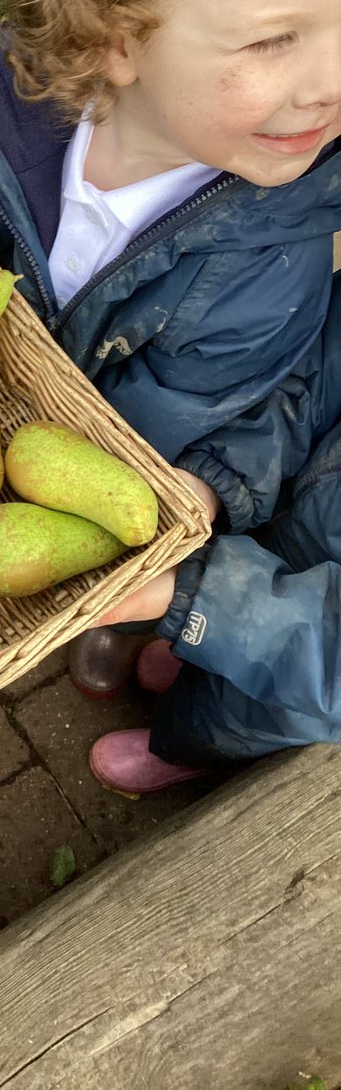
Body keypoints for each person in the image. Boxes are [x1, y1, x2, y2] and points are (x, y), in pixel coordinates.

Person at [0, 0, 341, 696]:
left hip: (115, 465)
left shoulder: (275, 253)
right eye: (270, 41)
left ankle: (127, 614)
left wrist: (166, 508)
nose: (331, 82)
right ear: (117, 39)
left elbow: (177, 426)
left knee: (125, 544)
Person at [82, 280, 341, 792]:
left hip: (308, 667)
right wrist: (221, 476)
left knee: (232, 716)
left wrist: (197, 597)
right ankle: (187, 640)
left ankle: (178, 752)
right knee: (192, 624)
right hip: (283, 516)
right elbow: (316, 370)